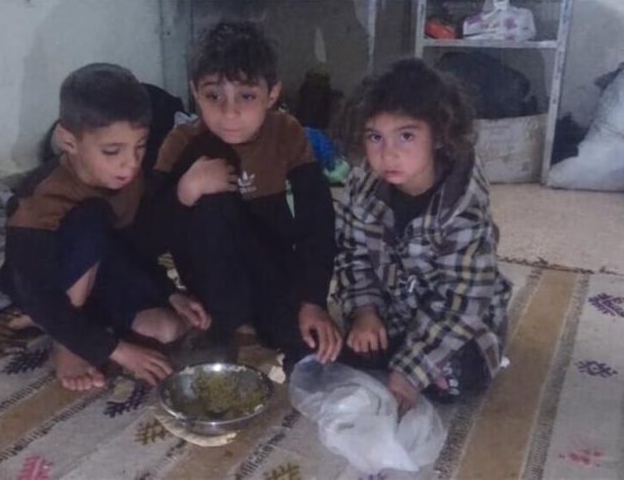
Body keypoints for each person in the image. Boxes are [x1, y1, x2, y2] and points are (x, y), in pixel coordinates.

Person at [0, 63, 210, 391]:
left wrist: (171, 294)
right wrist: (119, 351)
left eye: (140, 146)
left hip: (101, 270)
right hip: (43, 283)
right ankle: (65, 341)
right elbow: (36, 288)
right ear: (68, 141)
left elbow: (129, 247)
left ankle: (68, 322)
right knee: (91, 219)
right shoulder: (37, 200)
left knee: (168, 329)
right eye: (112, 151)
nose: (131, 163)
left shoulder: (127, 176)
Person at [146, 21, 342, 368]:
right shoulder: (181, 142)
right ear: (195, 92)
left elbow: (318, 221)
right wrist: (185, 191)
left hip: (272, 272)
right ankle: (222, 324)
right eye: (214, 96)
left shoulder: (287, 133)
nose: (230, 112)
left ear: (272, 93)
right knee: (211, 190)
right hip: (213, 284)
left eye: (247, 96)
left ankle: (262, 317)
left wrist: (313, 300)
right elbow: (149, 235)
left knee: (311, 345)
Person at [334, 58, 512, 411]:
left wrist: (411, 371)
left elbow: (462, 302)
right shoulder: (362, 185)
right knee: (340, 351)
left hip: (455, 317)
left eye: (406, 136)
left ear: (439, 136)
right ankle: (393, 349)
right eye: (375, 137)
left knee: (459, 376)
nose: (388, 154)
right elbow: (352, 254)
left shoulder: (464, 209)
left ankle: (415, 361)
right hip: (393, 308)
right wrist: (365, 311)